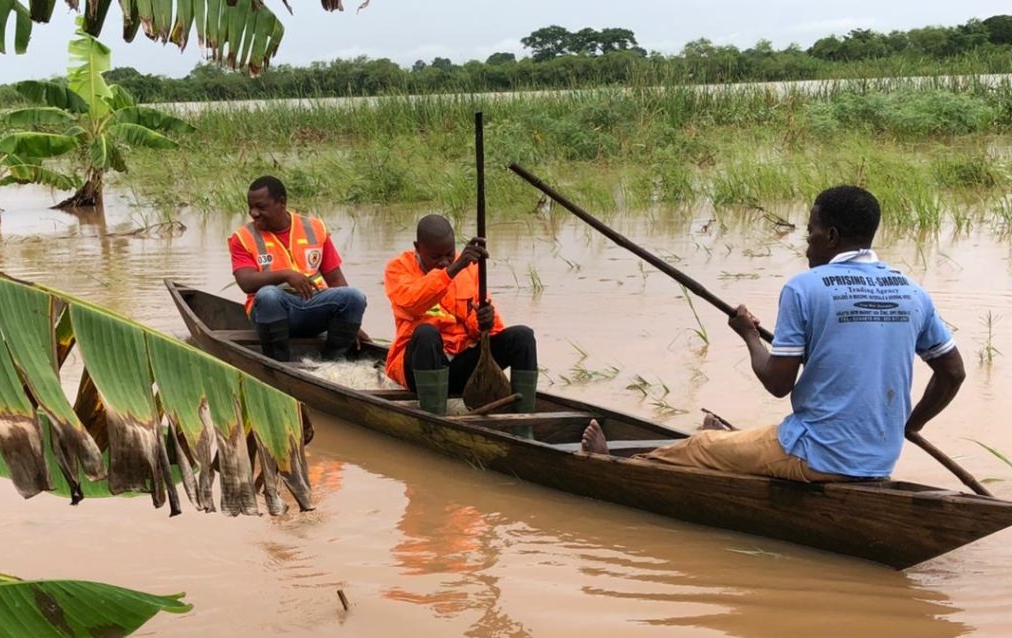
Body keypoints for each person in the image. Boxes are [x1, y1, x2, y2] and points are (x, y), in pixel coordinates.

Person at [582, 185, 966, 482]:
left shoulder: (806, 287)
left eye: (811, 233)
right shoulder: (911, 291)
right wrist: (908, 427)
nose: (807, 245)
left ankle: (613, 464)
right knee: (747, 440)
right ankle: (728, 443)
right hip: (880, 459)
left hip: (814, 456)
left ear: (831, 237)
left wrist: (748, 334)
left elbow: (778, 384)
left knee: (697, 447)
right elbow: (953, 373)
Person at [383, 214, 538, 420]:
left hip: (461, 367)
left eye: (449, 254)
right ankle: (434, 422)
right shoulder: (398, 268)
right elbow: (411, 303)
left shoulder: (470, 270)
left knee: (522, 337)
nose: (444, 261)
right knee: (426, 333)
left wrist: (485, 320)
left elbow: (486, 331)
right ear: (417, 248)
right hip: (421, 366)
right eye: (435, 257)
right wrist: (451, 270)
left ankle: (524, 423)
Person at [229, 175, 367, 362]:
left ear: (282, 203)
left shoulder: (315, 228)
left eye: (261, 207)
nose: (254, 213)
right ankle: (279, 364)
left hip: (313, 306)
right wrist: (286, 274)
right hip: (273, 310)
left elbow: (335, 280)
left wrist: (354, 326)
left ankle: (336, 363)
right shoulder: (242, 237)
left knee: (354, 296)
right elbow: (245, 282)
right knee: (268, 295)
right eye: (250, 207)